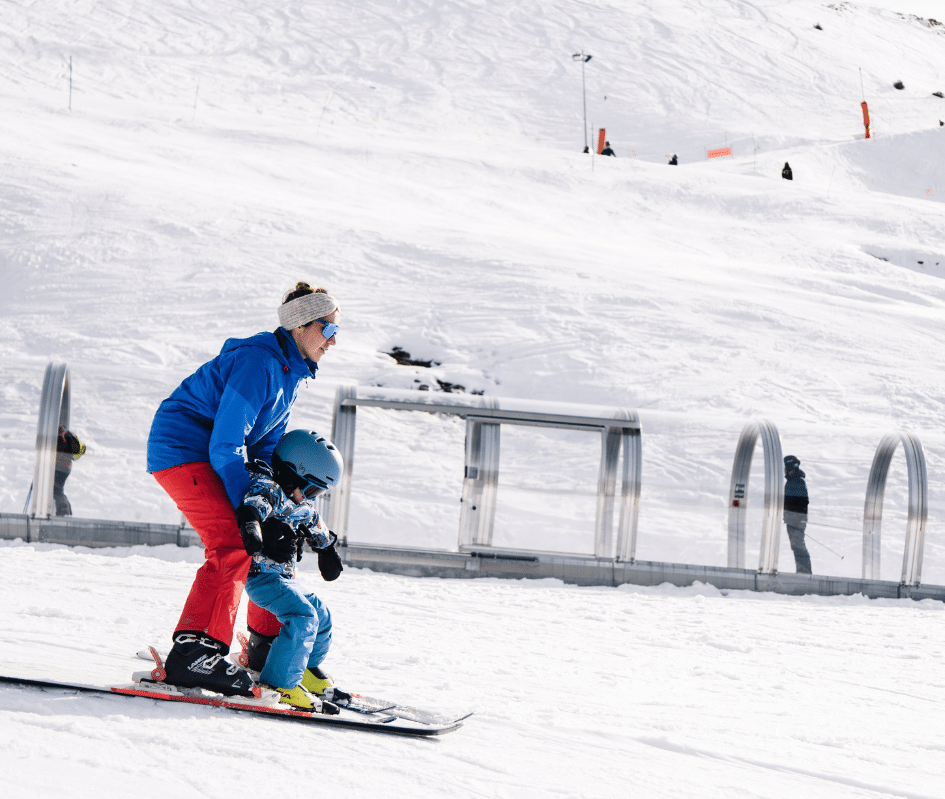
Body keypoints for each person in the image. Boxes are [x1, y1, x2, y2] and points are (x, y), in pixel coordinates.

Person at [146, 281, 339, 697]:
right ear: (301, 326)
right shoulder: (260, 363)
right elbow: (227, 443)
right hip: (183, 448)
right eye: (327, 328)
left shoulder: (290, 373)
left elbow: (265, 447)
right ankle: (194, 653)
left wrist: (274, 505)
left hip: (210, 452)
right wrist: (248, 512)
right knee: (234, 543)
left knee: (266, 542)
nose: (334, 339)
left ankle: (266, 648)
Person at [236, 429, 347, 711]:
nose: (310, 497)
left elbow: (315, 523)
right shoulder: (269, 489)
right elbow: (252, 509)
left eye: (318, 492)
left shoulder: (299, 503)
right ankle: (279, 685)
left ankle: (304, 669)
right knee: (302, 615)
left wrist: (327, 550)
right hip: (261, 576)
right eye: (311, 489)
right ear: (291, 473)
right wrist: (252, 530)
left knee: (319, 613)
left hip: (283, 578)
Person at [783, 455, 812, 575]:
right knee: (796, 547)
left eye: (786, 467)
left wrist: (794, 517)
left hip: (796, 521)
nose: (784, 470)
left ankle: (804, 572)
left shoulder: (797, 482)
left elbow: (803, 502)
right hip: (793, 520)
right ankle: (802, 571)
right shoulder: (792, 482)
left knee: (798, 547)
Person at [54, 426, 86, 516]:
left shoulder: (58, 433)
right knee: (58, 490)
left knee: (55, 490)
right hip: (66, 467)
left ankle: (63, 508)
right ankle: (67, 511)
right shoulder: (66, 434)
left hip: (58, 466)